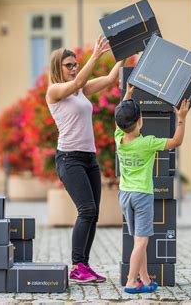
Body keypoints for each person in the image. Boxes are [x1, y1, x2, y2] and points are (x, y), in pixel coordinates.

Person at [46, 35, 124, 283]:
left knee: (94, 213)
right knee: (86, 209)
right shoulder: (55, 91)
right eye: (68, 65)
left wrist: (124, 55)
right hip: (69, 159)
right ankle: (77, 265)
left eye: (75, 64)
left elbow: (111, 79)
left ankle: (84, 265)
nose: (73, 68)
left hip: (89, 158)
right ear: (58, 68)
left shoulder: (80, 90)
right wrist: (96, 54)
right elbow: (79, 80)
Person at [114, 83, 189, 293]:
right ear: (141, 121)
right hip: (142, 196)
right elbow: (176, 141)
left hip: (125, 195)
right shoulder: (147, 143)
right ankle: (130, 282)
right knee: (141, 241)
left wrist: (127, 94)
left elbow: (119, 120)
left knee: (140, 239)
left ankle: (145, 280)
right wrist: (181, 117)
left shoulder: (118, 138)